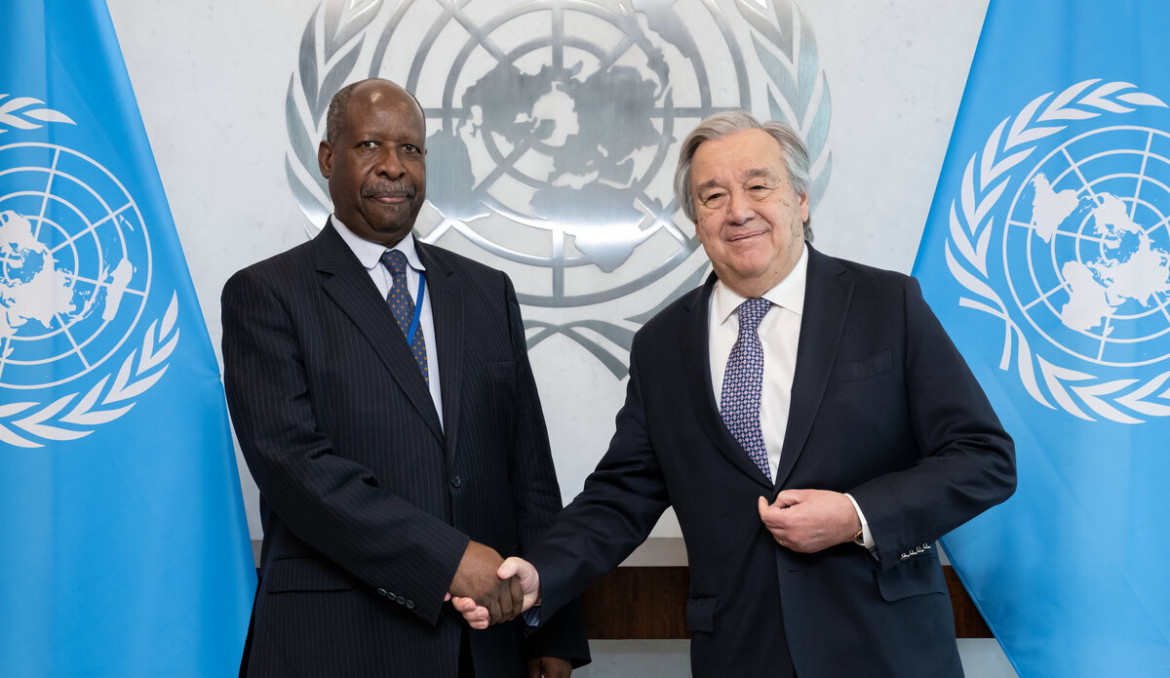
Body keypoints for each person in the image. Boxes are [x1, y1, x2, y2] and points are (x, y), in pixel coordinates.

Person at [455, 111, 1016, 677]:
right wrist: (540, 573)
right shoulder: (662, 345)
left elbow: (983, 459)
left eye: (757, 186)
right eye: (713, 196)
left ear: (800, 200)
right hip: (742, 653)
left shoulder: (886, 304)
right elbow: (621, 496)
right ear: (696, 222)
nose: (738, 210)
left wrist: (854, 514)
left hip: (886, 649)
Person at [221, 78, 589, 678]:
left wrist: (550, 626)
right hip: (339, 643)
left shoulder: (485, 291)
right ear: (327, 157)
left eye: (411, 150)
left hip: (485, 645)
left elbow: (529, 469)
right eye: (369, 145)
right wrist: (448, 559)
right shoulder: (267, 295)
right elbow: (296, 470)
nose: (394, 167)